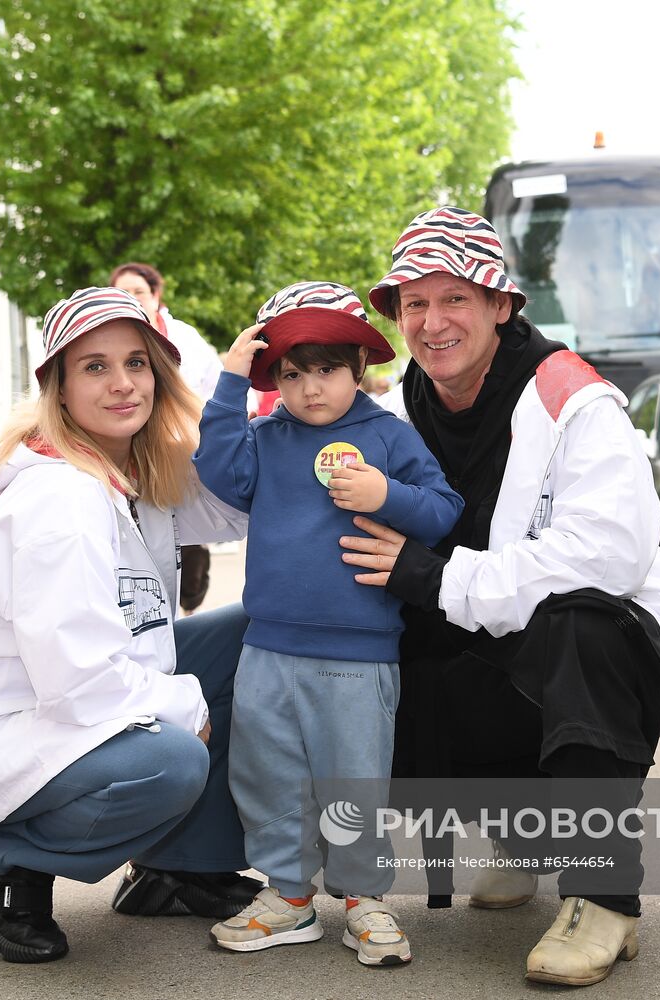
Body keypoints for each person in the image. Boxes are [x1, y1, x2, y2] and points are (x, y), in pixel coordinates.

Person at [341, 207, 660, 987]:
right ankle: (527, 834)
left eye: (455, 300)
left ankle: (602, 896)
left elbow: (606, 556)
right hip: (495, 657)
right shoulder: (396, 411)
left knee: (576, 623)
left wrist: (435, 576)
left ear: (500, 305)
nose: (432, 323)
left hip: (615, 654)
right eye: (414, 304)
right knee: (345, 654)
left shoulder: (573, 399)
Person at [0, 287, 260, 964]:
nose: (123, 383)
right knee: (169, 760)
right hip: (10, 727)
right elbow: (78, 684)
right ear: (60, 389)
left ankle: (178, 869)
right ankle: (8, 861)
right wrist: (184, 703)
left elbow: (240, 508)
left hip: (77, 695)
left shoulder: (125, 471)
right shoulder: (58, 504)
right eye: (94, 367)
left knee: (256, 636)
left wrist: (256, 387)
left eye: (136, 363)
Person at [193, 281, 463, 967]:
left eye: (326, 369)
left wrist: (386, 495)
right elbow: (218, 470)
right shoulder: (265, 436)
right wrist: (229, 383)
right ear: (273, 378)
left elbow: (442, 511)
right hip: (269, 647)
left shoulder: (386, 435)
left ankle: (362, 898)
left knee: (353, 780)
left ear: (358, 369)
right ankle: (287, 896)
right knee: (266, 775)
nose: (311, 388)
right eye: (291, 372)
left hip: (359, 653)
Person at [110, 262, 222, 614]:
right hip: (129, 455)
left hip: (179, 455)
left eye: (138, 292)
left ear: (156, 297)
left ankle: (185, 605)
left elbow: (216, 387)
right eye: (122, 294)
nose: (123, 384)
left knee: (183, 544)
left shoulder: (184, 338)